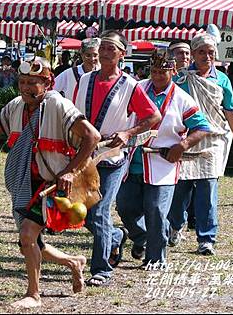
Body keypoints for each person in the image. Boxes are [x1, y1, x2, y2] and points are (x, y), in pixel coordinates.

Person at [0, 57, 101, 309]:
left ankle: (33, 294)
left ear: (47, 83)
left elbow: (92, 136)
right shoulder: (15, 106)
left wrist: (70, 172)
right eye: (22, 82)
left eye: (33, 83)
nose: (26, 87)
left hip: (51, 186)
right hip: (25, 183)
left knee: (28, 236)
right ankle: (74, 262)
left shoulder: (58, 104)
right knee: (31, 243)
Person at [74, 30, 162, 286]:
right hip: (84, 153)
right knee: (85, 215)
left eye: (111, 48)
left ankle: (101, 270)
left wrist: (128, 132)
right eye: (103, 46)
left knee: (100, 210)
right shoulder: (85, 80)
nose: (104, 51)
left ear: (122, 54)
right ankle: (114, 237)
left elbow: (153, 117)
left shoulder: (130, 85)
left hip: (111, 156)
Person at [116, 50, 210, 267]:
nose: (157, 76)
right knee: (124, 206)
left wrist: (183, 145)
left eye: (163, 72)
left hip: (162, 163)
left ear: (173, 71)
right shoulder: (137, 89)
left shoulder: (182, 99)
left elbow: (203, 127)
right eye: (154, 71)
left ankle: (156, 258)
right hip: (133, 161)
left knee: (156, 211)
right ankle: (144, 239)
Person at [167, 31, 233, 255]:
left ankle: (206, 238)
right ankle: (175, 226)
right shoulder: (181, 78)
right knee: (180, 190)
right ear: (193, 54)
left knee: (208, 190)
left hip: (214, 140)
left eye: (211, 52)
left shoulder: (222, 80)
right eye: (201, 52)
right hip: (186, 140)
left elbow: (230, 111)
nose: (206, 56)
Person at [168, 40, 197, 231]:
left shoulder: (196, 77)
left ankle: (190, 218)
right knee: (179, 184)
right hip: (172, 137)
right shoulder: (163, 78)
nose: (184, 57)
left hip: (196, 135)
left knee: (195, 182)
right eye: (179, 53)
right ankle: (175, 221)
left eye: (187, 53)